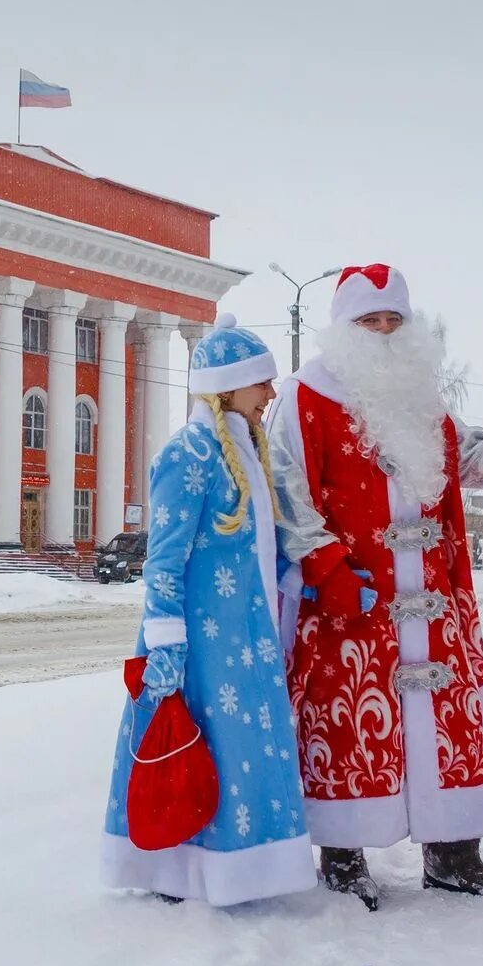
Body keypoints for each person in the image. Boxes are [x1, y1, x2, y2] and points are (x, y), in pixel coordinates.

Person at [268, 264, 483, 910]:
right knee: (351, 726)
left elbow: (470, 460)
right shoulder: (303, 397)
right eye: (369, 321)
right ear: (344, 328)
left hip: (433, 601)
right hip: (351, 596)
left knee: (442, 724)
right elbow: (284, 488)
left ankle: (454, 854)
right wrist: (325, 567)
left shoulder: (424, 399)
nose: (384, 332)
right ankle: (342, 855)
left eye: (394, 320)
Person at [99, 314, 316, 906]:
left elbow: (260, 549)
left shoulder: (246, 450)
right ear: (227, 387)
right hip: (199, 646)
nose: (271, 394)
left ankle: (244, 868)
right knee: (197, 752)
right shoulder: (189, 452)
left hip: (246, 639)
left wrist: (303, 587)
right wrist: (167, 640)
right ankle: (180, 871)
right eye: (261, 383)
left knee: (244, 752)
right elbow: (164, 559)